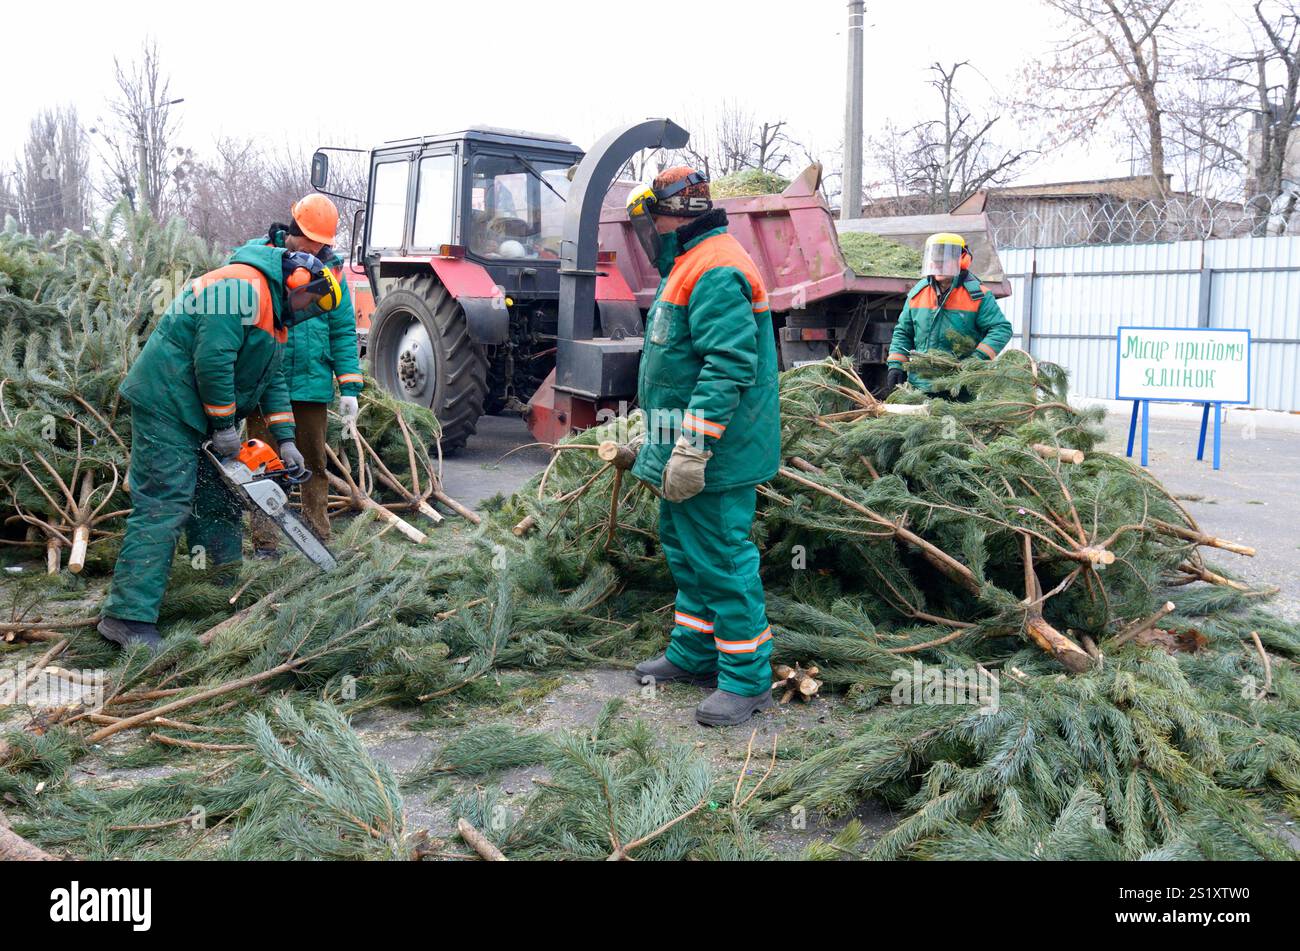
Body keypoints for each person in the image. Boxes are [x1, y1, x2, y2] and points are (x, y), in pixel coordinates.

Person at [97, 245, 341, 650]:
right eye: (311, 300)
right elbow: (212, 360)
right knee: (166, 502)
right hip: (167, 403)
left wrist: (286, 440)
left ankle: (215, 588)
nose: (308, 309)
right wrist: (226, 425)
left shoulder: (274, 315)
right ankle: (126, 616)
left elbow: (272, 380)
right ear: (296, 283)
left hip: (201, 412)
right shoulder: (240, 289)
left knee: (216, 500)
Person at [625, 166, 781, 727]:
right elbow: (677, 369)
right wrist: (655, 441)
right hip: (680, 443)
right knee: (685, 550)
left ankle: (747, 679)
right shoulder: (689, 262)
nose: (649, 230)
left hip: (718, 452)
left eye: (651, 218)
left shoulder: (715, 266)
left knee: (721, 556)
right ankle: (694, 653)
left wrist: (693, 448)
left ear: (673, 215)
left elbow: (727, 368)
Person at [239, 194, 363, 555]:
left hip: (311, 383)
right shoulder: (261, 259)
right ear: (302, 234)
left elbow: (341, 331)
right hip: (266, 382)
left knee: (313, 464)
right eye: (318, 241)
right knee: (262, 464)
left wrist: (349, 385)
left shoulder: (330, 273)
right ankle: (265, 542)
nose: (321, 248)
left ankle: (317, 536)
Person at [886, 232, 1012, 392]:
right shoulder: (918, 293)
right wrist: (896, 364)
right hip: (920, 385)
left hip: (959, 386)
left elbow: (1001, 329)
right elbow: (903, 332)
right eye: (936, 261)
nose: (938, 265)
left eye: (944, 261)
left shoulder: (978, 295)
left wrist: (976, 360)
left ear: (962, 261)